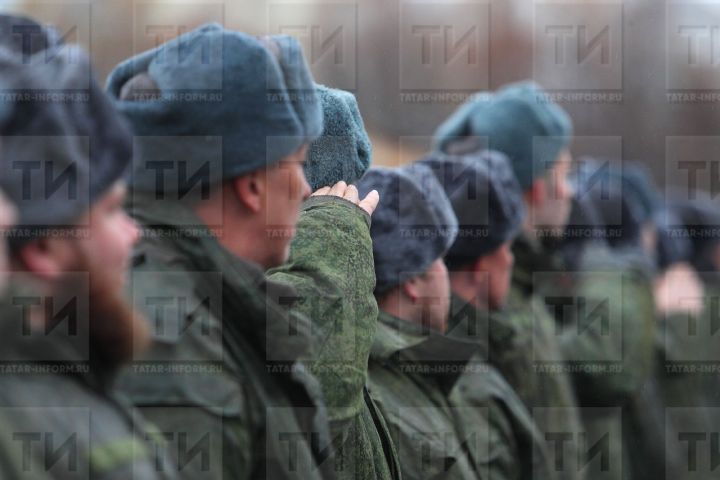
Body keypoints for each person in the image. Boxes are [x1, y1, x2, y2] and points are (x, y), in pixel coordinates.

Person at [107, 23, 382, 479]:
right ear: (252, 185)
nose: (304, 187)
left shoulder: (202, 301)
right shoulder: (170, 337)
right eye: (295, 165)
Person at [0, 45, 176, 478]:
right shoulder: (29, 417)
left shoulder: (70, 380)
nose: (133, 233)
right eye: (113, 210)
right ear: (43, 248)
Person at [434, 81, 583, 480]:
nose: (570, 192)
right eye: (563, 174)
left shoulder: (522, 280)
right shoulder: (484, 296)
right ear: (536, 187)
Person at [418, 150, 558, 480]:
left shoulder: (473, 343)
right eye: (506, 249)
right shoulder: (468, 375)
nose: (511, 261)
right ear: (482, 267)